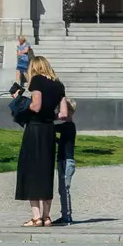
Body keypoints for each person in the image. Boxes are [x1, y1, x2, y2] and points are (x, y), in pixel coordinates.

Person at [14, 56, 65, 227]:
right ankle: (47, 216)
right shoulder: (59, 85)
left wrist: (20, 103)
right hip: (49, 130)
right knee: (46, 171)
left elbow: (36, 106)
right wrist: (50, 115)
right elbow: (64, 114)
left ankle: (36, 217)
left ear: (34, 68)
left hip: (34, 129)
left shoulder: (36, 81)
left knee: (31, 170)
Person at [53, 94, 78, 226]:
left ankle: (67, 216)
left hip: (67, 161)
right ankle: (65, 214)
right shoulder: (68, 127)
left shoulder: (68, 126)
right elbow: (62, 141)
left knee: (64, 189)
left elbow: (54, 128)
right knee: (62, 189)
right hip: (63, 159)